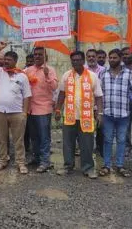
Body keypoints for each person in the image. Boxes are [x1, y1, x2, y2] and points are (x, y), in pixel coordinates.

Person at [55, 51, 103, 179]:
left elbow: (98, 96)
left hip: (86, 116)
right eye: (73, 60)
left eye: (78, 60)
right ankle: (67, 166)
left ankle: (88, 168)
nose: (75, 62)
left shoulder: (92, 76)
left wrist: (100, 113)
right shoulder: (66, 75)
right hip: (69, 116)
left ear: (83, 61)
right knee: (68, 143)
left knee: (87, 144)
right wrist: (58, 110)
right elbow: (61, 94)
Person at [0, 42, 32, 174]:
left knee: (18, 140)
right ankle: (2, 161)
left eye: (9, 60)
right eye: (5, 59)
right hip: (0, 112)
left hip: (17, 113)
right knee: (0, 139)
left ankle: (21, 163)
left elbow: (27, 96)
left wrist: (24, 113)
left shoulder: (22, 76)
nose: (6, 62)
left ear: (15, 61)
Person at [99, 49, 132, 177]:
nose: (112, 60)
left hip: (123, 114)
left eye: (114, 58)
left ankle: (120, 166)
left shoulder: (129, 74)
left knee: (121, 141)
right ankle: (106, 165)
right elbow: (98, 94)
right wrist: (99, 112)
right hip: (107, 114)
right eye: (110, 58)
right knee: (107, 140)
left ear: (120, 58)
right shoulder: (103, 73)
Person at [25, 47, 58, 173]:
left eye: (40, 55)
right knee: (34, 136)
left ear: (45, 57)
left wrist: (47, 75)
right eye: (36, 55)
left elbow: (54, 87)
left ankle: (45, 161)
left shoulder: (50, 70)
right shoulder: (28, 70)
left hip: (43, 109)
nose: (37, 57)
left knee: (44, 137)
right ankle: (36, 158)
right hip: (30, 109)